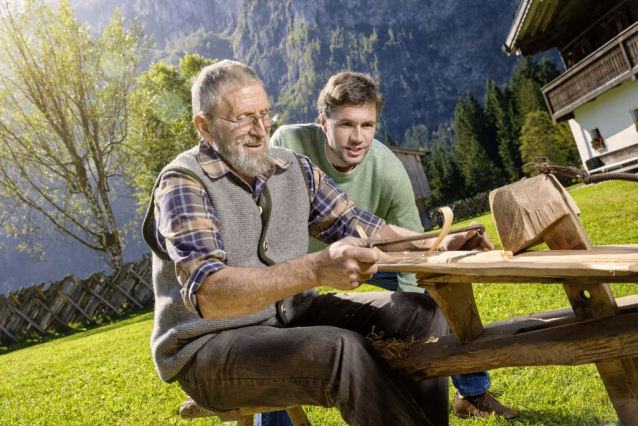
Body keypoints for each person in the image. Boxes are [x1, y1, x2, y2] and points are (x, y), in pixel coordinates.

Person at [142, 60, 491, 426]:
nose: (260, 130)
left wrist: (438, 241)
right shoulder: (183, 183)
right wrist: (316, 268)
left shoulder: (294, 168)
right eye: (244, 118)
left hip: (291, 316)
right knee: (339, 350)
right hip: (210, 349)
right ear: (204, 126)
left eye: (265, 114)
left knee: (421, 314)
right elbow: (211, 296)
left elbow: (361, 227)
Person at [261, 71, 517, 423]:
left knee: (435, 299)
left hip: (366, 254)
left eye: (367, 125)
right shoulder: (288, 142)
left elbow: (412, 256)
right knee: (272, 340)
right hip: (295, 263)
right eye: (346, 124)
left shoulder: (389, 170)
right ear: (323, 122)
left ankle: (472, 395)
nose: (357, 138)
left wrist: (422, 324)